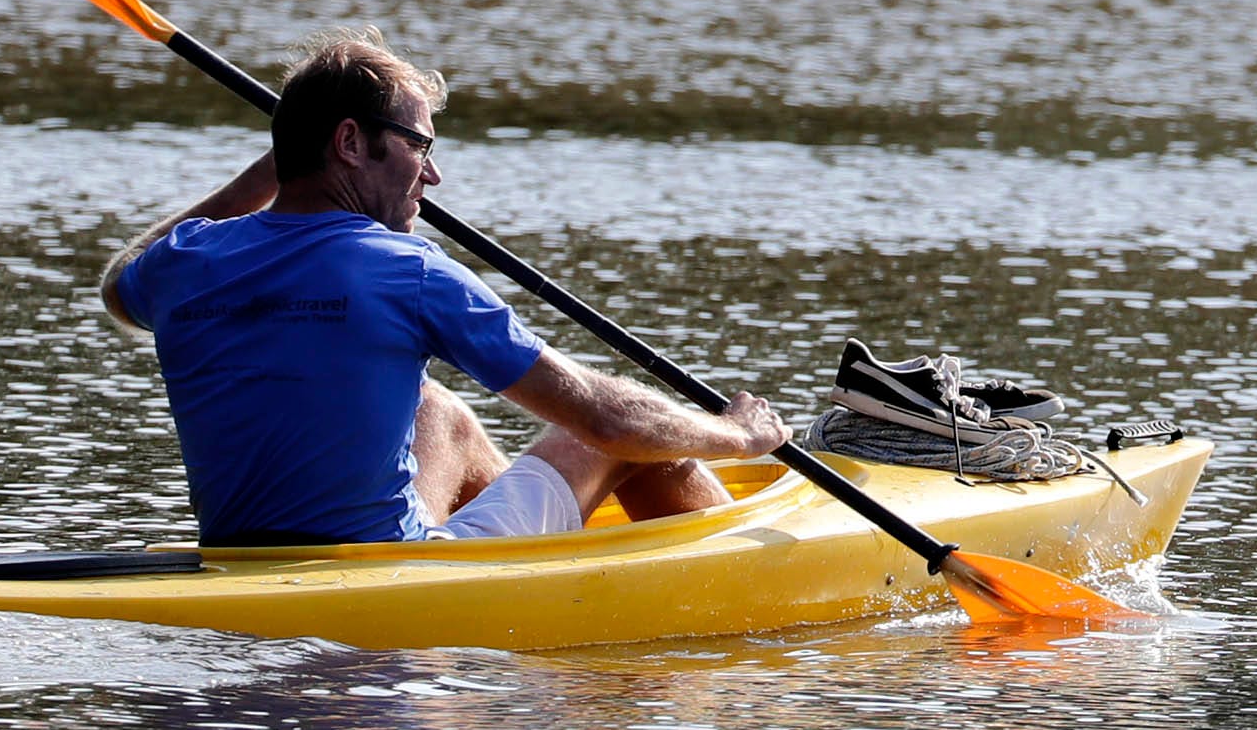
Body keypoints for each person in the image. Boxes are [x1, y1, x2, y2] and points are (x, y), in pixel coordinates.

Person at [102, 31, 785, 544]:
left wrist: (277, 167)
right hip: (387, 573)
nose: (431, 176)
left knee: (438, 411)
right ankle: (744, 569)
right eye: (419, 146)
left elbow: (119, 285)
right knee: (626, 437)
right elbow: (609, 420)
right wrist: (736, 435)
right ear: (349, 143)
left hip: (242, 558)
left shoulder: (183, 260)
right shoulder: (410, 271)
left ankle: (537, 555)